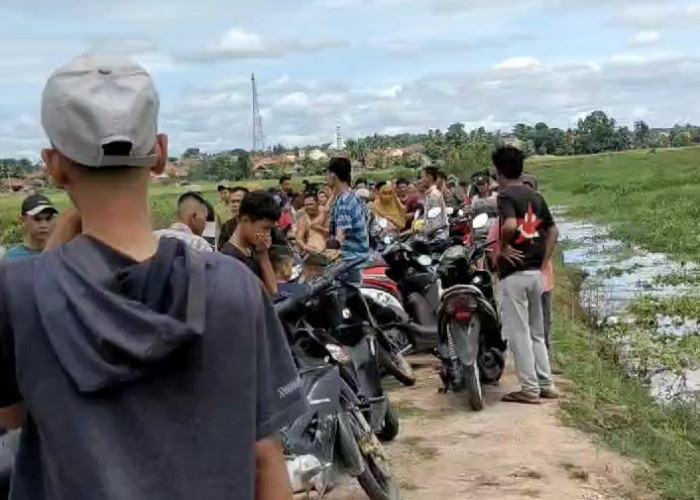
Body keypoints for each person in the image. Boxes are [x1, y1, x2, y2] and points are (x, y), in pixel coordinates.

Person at [0, 53, 303, 500]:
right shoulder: (235, 289)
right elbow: (265, 456)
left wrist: (62, 238)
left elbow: (15, 417)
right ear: (160, 153)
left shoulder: (18, 295)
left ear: (53, 165)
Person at [493, 146, 558, 404]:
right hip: (535, 273)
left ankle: (529, 389)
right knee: (537, 332)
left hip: (515, 273)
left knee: (518, 333)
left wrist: (505, 248)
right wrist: (544, 260)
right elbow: (553, 231)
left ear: (498, 172)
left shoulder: (506, 195)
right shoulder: (536, 196)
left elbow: (509, 224)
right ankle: (546, 383)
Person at [221, 190, 281, 296]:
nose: (268, 234)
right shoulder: (230, 260)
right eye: (265, 228)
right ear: (245, 220)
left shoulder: (254, 247)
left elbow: (274, 291)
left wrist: (263, 254)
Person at [521, 174, 555, 354]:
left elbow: (552, 235)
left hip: (542, 274)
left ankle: (546, 355)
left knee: (545, 317)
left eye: (529, 187)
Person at [327, 157, 369, 284]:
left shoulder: (345, 202)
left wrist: (321, 253)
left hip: (353, 262)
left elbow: (340, 237)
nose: (326, 177)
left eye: (327, 173)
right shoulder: (352, 196)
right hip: (359, 257)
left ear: (333, 175)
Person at [2, 194, 58, 261]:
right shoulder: (11, 259)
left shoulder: (62, 255)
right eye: (37, 219)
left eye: (48, 219)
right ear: (22, 220)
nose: (44, 225)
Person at [218, 186, 249, 251]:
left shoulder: (260, 223)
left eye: (238, 201)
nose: (235, 205)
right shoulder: (227, 226)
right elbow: (221, 249)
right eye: (232, 202)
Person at [421, 166, 448, 239]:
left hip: (436, 236)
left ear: (429, 177)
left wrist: (428, 233)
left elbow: (436, 219)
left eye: (423, 177)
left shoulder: (434, 195)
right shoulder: (430, 194)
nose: (421, 180)